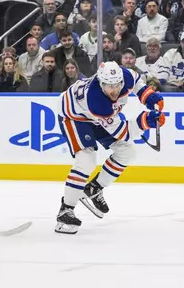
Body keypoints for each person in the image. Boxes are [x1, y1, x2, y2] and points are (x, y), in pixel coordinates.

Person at [55, 61, 164, 234]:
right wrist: (145, 122)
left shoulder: (125, 75)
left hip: (97, 117)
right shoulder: (97, 100)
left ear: (121, 80)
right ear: (100, 82)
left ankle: (94, 188)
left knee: (127, 152)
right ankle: (65, 210)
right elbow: (122, 132)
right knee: (86, 161)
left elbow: (136, 81)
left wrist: (147, 95)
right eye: (108, 86)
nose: (113, 90)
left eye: (117, 85)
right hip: (75, 117)